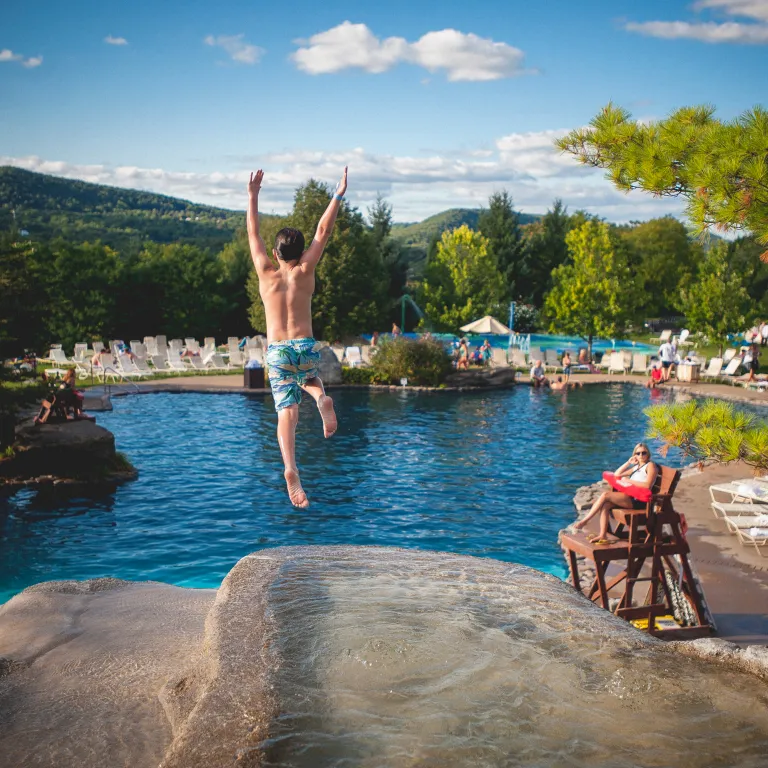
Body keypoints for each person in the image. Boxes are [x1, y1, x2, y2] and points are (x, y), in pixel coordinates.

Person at [247, 167, 346, 508]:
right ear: (301, 253)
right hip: (305, 346)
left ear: (275, 254)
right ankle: (320, 398)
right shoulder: (306, 271)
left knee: (286, 414)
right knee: (310, 377)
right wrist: (338, 194)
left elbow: (253, 233)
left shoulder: (265, 273)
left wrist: (253, 195)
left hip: (277, 352)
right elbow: (324, 229)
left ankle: (291, 469)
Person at [573, 443, 658, 544]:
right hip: (630, 497)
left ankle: (586, 520)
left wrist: (629, 481)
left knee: (606, 495)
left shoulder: (650, 465)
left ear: (648, 454)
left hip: (640, 501)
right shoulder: (637, 467)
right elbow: (617, 474)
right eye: (638, 453)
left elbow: (647, 485)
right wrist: (628, 462)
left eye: (643, 453)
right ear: (634, 455)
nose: (641, 455)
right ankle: (603, 535)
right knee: (606, 505)